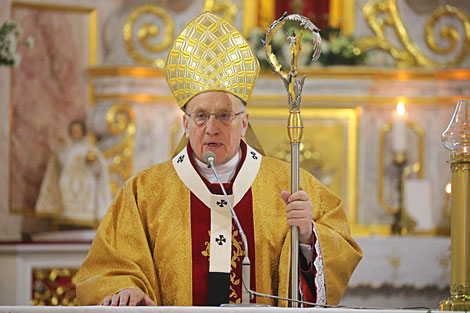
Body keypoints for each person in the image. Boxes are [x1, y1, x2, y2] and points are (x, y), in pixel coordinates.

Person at [76, 11, 362, 306]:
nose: (211, 128)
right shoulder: (146, 192)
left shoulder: (288, 184)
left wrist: (306, 237)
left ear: (244, 122)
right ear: (186, 124)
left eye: (224, 115)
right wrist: (126, 288)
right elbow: (110, 266)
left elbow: (340, 244)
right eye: (200, 116)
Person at [35, 120, 112, 224]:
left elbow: (99, 169)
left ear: (83, 132)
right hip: (68, 184)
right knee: (67, 205)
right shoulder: (68, 149)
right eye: (73, 131)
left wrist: (93, 162)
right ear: (70, 133)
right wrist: (59, 148)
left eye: (78, 131)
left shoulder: (90, 149)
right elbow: (61, 164)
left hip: (86, 185)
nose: (76, 133)